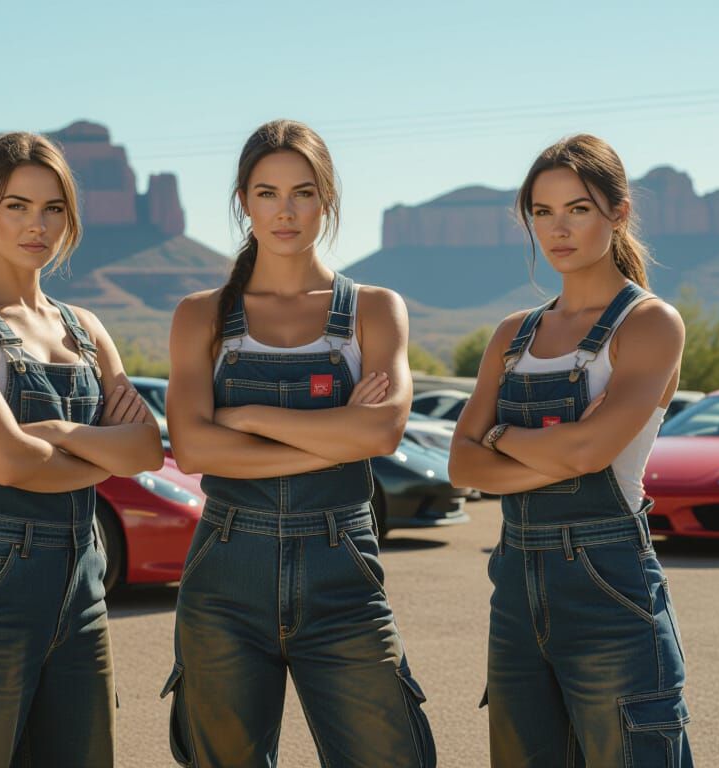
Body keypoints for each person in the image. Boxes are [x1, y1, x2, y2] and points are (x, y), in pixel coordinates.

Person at [161, 119, 436, 767]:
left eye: (303, 193)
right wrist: (335, 439)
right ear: (244, 202)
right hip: (225, 574)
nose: (285, 211)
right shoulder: (201, 315)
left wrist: (247, 415)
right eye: (267, 193)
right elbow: (194, 449)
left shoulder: (374, 309)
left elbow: (382, 430)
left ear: (327, 200)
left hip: (343, 573)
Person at [0, 132, 162, 768]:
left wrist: (63, 435)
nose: (36, 225)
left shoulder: (85, 327)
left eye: (53, 209)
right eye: (16, 206)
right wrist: (102, 453)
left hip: (83, 578)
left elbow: (147, 449)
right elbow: (8, 464)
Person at [448, 134, 693, 766]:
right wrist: (554, 446)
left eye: (578, 209)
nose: (558, 229)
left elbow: (588, 454)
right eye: (542, 211)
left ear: (619, 212)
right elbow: (461, 464)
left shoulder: (650, 323)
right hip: (515, 584)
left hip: (609, 582)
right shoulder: (513, 334)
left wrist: (500, 437)